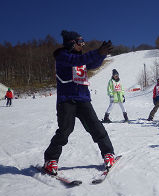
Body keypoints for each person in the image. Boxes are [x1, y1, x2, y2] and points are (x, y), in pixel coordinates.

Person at [43, 30, 115, 175]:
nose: (83, 45)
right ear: (72, 43)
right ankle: (50, 159)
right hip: (66, 100)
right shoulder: (62, 56)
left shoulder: (80, 58)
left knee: (96, 127)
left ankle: (108, 153)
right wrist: (97, 52)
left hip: (83, 100)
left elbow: (93, 64)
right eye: (80, 42)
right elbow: (75, 61)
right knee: (65, 131)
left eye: (83, 42)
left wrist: (101, 54)